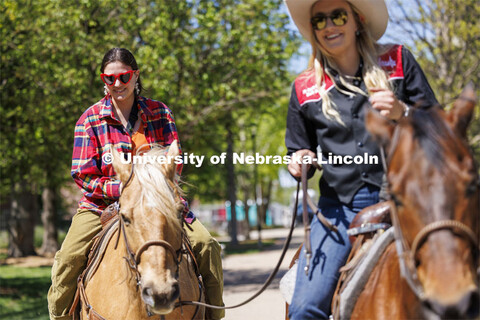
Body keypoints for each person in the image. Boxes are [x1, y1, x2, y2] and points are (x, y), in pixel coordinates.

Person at [284, 0, 438, 318]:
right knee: (304, 310)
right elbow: (297, 150)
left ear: (357, 20)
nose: (329, 26)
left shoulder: (398, 60)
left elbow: (438, 127)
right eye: (319, 21)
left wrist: (403, 113)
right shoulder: (303, 88)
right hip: (338, 213)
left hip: (410, 203)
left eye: (338, 16)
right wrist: (298, 161)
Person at [47, 48, 225, 320]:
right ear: (103, 80)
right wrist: (127, 190)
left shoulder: (160, 113)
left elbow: (174, 164)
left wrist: (148, 189)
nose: (117, 84)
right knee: (68, 258)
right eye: (110, 78)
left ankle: (215, 315)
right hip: (100, 207)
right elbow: (83, 174)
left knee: (206, 244)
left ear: (135, 76)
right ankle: (60, 317)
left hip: (158, 203)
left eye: (124, 76)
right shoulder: (90, 120)